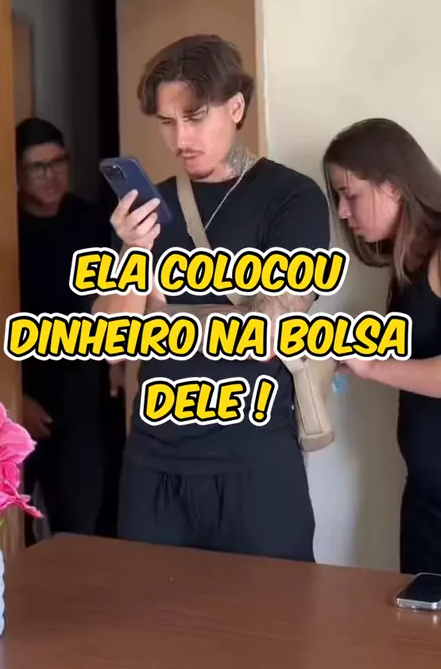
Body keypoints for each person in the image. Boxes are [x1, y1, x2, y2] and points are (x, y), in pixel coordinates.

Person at [94, 34, 331, 561]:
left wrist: (167, 313)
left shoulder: (291, 199)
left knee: (272, 612)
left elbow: (272, 333)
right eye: (167, 122)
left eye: (195, 117)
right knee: (150, 613)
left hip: (255, 463)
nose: (181, 138)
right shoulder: (144, 214)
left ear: (236, 108)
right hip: (153, 464)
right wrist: (133, 255)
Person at [323, 117, 441, 575]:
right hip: (426, 501)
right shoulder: (409, 261)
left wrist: (371, 367)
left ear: (393, 185)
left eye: (350, 194)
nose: (342, 212)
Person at [16, 117, 108, 543]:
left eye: (58, 163)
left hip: (80, 394)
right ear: (18, 173)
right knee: (11, 525)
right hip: (23, 391)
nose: (51, 175)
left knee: (79, 522)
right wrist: (16, 398)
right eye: (38, 167)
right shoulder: (4, 228)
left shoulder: (91, 222)